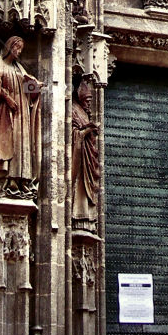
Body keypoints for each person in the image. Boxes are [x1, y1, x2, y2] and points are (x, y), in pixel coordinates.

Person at [0, 36, 42, 196]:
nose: (19, 52)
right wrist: (7, 98)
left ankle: (21, 180)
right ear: (10, 47)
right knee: (8, 142)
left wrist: (35, 87)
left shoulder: (18, 68)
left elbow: (26, 87)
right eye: (17, 48)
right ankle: (5, 179)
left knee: (22, 145)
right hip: (6, 113)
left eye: (21, 49)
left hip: (22, 112)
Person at [71, 79, 100, 228]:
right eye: (87, 100)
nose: (89, 104)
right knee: (79, 187)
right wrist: (87, 130)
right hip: (80, 159)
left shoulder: (84, 113)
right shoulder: (73, 110)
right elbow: (74, 135)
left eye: (90, 101)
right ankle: (78, 217)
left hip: (87, 159)